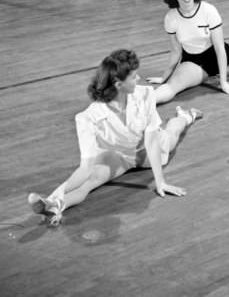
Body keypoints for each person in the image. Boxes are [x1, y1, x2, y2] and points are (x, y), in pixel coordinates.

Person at [26, 49, 202, 227]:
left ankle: (187, 116)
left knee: (173, 131)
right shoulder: (87, 118)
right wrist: (54, 197)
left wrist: (160, 181)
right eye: (133, 77)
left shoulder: (145, 95)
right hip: (119, 156)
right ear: (118, 84)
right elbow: (84, 170)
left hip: (148, 152)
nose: (139, 78)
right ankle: (53, 205)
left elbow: (152, 141)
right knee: (90, 181)